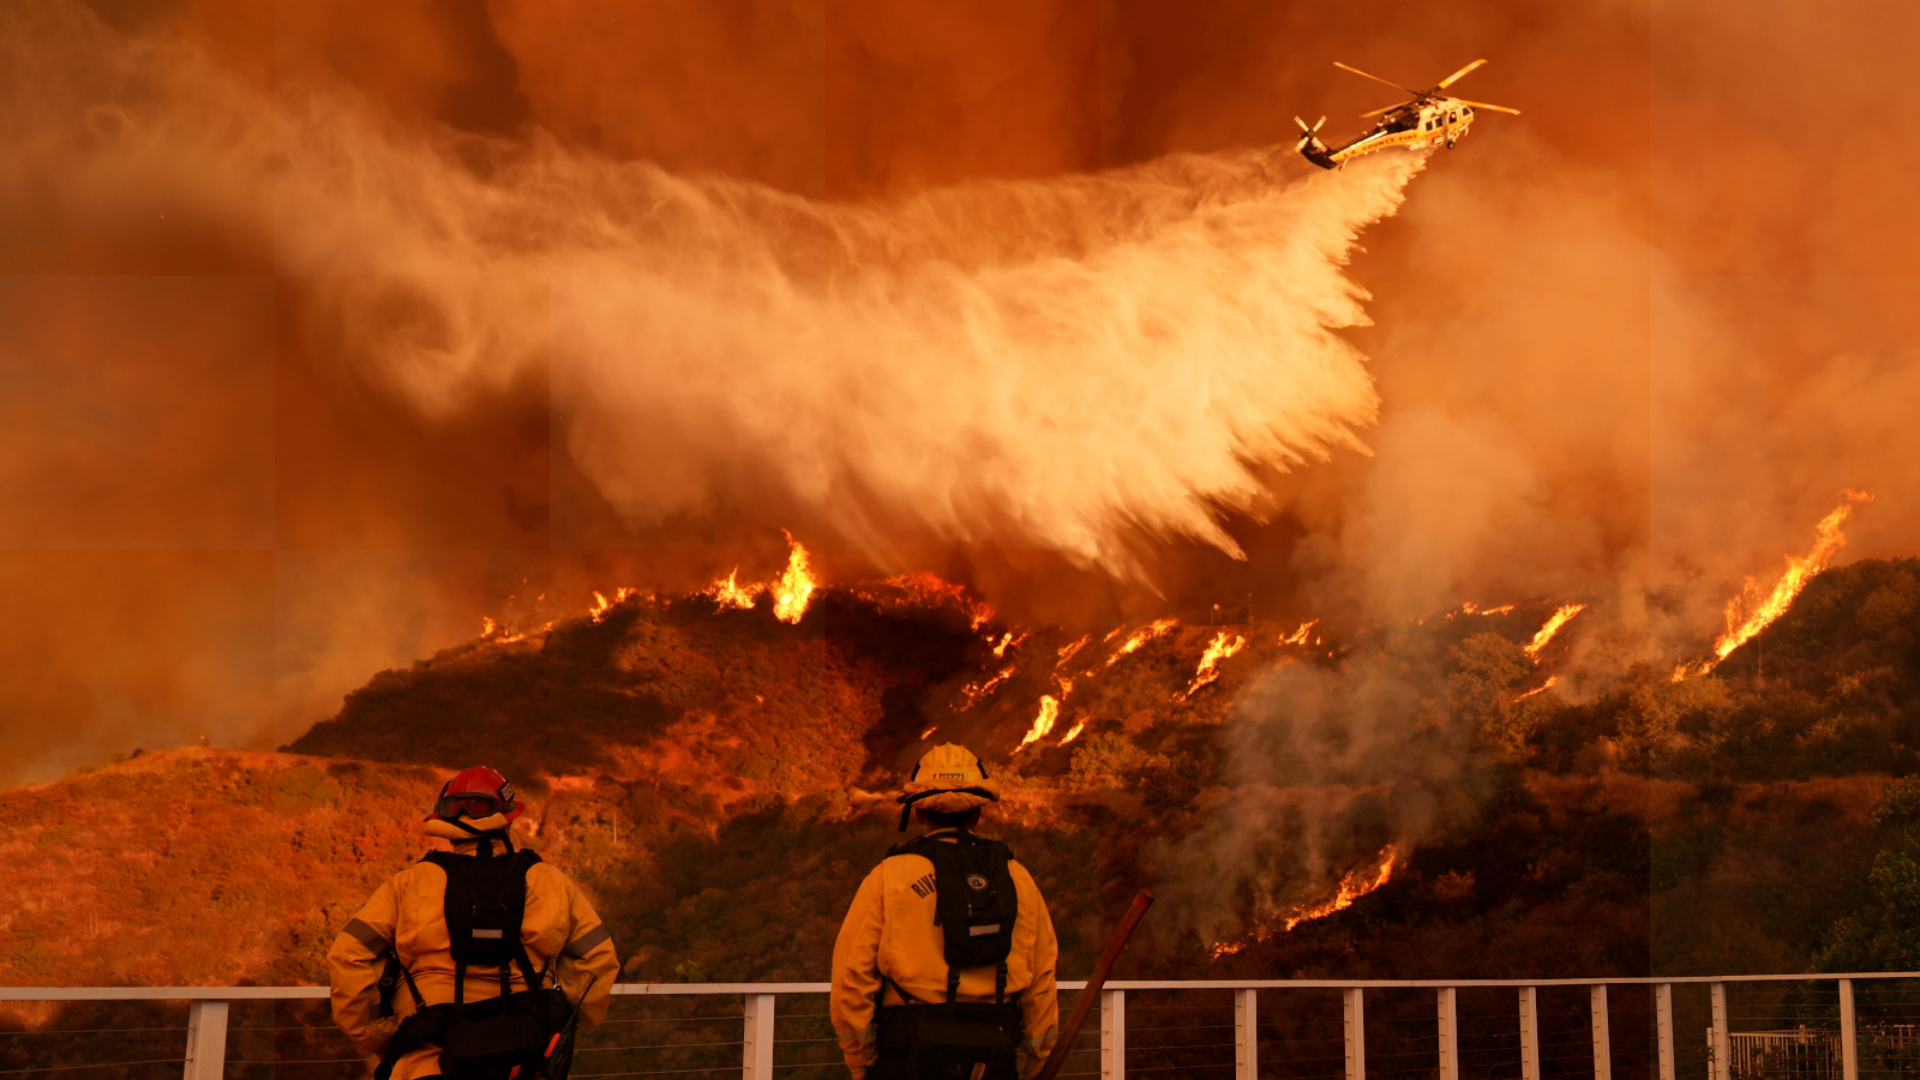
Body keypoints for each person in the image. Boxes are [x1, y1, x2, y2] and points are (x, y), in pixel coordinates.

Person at [328, 766, 620, 1080]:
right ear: (508, 821)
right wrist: (566, 1024)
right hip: (525, 1063)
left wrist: (379, 1035)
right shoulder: (552, 883)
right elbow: (598, 960)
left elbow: (348, 957)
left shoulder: (408, 884)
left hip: (424, 1064)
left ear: (446, 824)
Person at [831, 744, 1060, 1080]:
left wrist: (861, 1061)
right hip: (993, 1055)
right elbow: (1041, 983)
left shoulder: (888, 877)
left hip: (905, 1054)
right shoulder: (1017, 879)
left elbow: (851, 980)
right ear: (978, 812)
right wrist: (1035, 1064)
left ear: (919, 813)